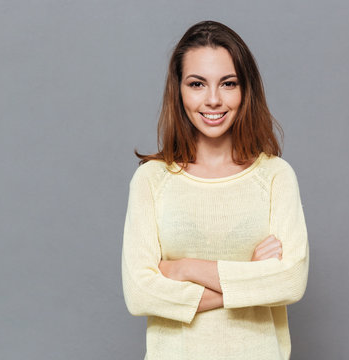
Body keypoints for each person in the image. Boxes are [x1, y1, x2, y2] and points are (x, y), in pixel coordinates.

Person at [121, 20, 309, 360]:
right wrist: (249, 277)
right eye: (197, 84)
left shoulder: (275, 176)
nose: (213, 100)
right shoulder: (152, 179)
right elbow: (139, 294)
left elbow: (291, 281)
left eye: (228, 83)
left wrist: (185, 268)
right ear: (178, 90)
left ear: (245, 90)